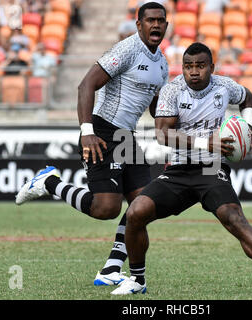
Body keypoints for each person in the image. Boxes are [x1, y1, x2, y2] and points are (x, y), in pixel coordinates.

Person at [110, 42, 252, 295]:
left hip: (210, 166)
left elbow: (248, 98)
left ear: (211, 67)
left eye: (200, 66)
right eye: (188, 66)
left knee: (233, 216)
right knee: (135, 213)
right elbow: (163, 135)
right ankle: (138, 281)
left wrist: (248, 128)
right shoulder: (172, 91)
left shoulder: (224, 86)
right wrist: (206, 142)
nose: (193, 72)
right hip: (178, 169)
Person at [15, 2, 169, 286]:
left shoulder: (162, 64)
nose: (156, 25)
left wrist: (172, 127)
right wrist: (86, 130)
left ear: (166, 25)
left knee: (143, 206)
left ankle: (111, 269)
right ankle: (50, 183)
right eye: (150, 20)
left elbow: (155, 106)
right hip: (102, 130)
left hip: (127, 136)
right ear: (139, 24)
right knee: (106, 208)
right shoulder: (126, 50)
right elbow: (86, 85)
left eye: (161, 20)